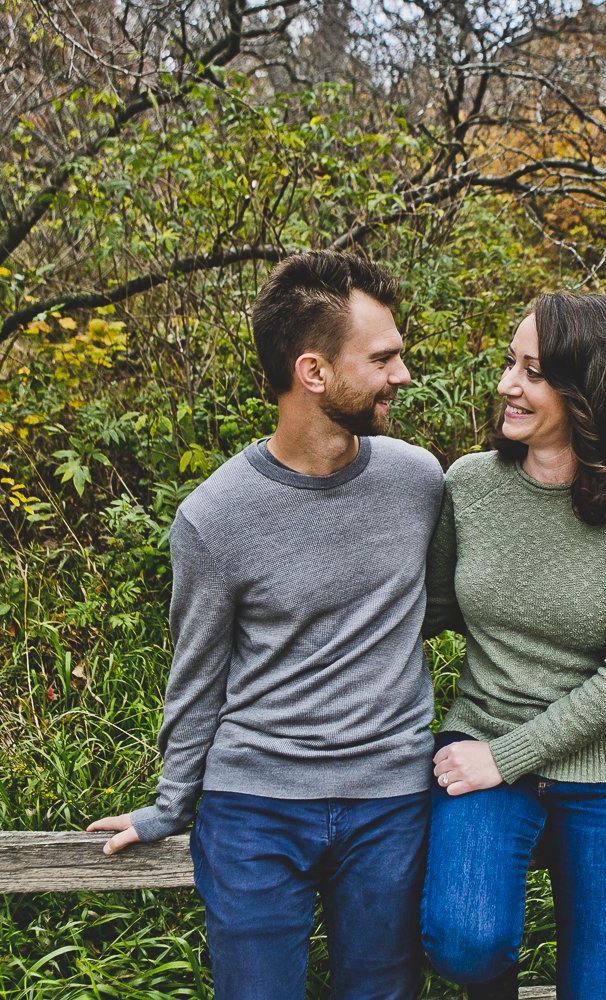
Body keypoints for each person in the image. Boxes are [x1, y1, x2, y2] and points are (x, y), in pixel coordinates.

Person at [85, 250, 443, 1000]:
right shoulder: (214, 517)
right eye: (383, 359)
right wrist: (169, 806)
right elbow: (197, 674)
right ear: (313, 373)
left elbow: (451, 605)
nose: (402, 375)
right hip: (254, 811)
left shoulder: (418, 482)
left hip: (389, 803)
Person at [420, 291, 606, 1000]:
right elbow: (429, 611)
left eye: (533, 371)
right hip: (480, 737)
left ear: (588, 388)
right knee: (463, 943)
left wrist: (503, 758)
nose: (507, 384)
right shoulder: (469, 484)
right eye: (511, 363)